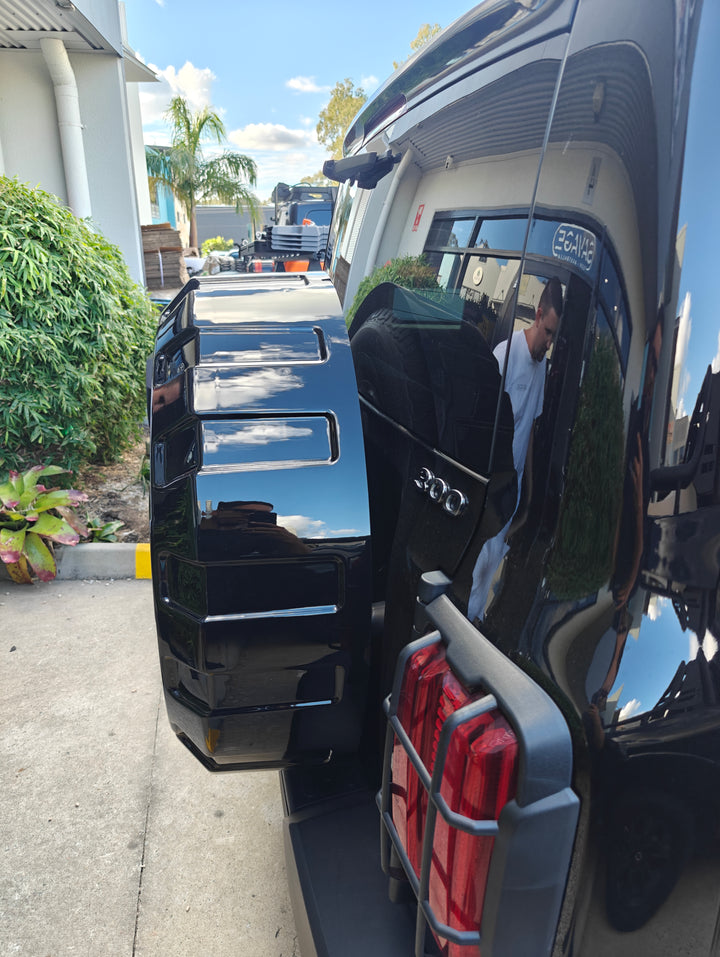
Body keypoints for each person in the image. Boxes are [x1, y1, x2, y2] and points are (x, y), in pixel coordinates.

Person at [467, 276, 562, 623]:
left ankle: (475, 621)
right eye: (548, 331)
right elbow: (483, 420)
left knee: (493, 562)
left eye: (554, 336)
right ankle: (462, 626)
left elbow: (532, 428)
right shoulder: (504, 356)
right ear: (538, 315)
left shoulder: (542, 367)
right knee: (478, 563)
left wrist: (529, 489)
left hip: (515, 485)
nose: (549, 343)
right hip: (492, 481)